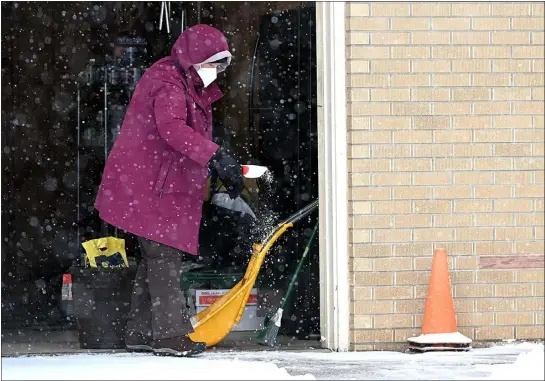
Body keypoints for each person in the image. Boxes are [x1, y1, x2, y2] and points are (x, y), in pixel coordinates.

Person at [94, 24, 244, 357]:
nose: (216, 72)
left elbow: (191, 132)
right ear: (194, 59)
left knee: (155, 256)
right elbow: (173, 129)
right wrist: (215, 154)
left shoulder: (187, 83)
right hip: (148, 185)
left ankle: (139, 331)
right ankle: (169, 335)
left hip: (156, 183)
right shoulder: (168, 84)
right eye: (212, 64)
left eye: (221, 66)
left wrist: (218, 157)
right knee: (163, 254)